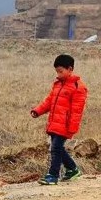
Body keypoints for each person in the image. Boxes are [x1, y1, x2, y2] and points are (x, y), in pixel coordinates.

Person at [31, 54, 88, 185]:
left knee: (55, 148)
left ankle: (53, 175)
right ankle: (73, 169)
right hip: (54, 123)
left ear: (70, 69)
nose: (58, 74)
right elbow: (49, 101)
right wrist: (38, 110)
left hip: (65, 125)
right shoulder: (57, 84)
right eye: (57, 71)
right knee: (58, 148)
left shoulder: (78, 87)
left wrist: (72, 128)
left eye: (61, 71)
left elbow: (77, 111)